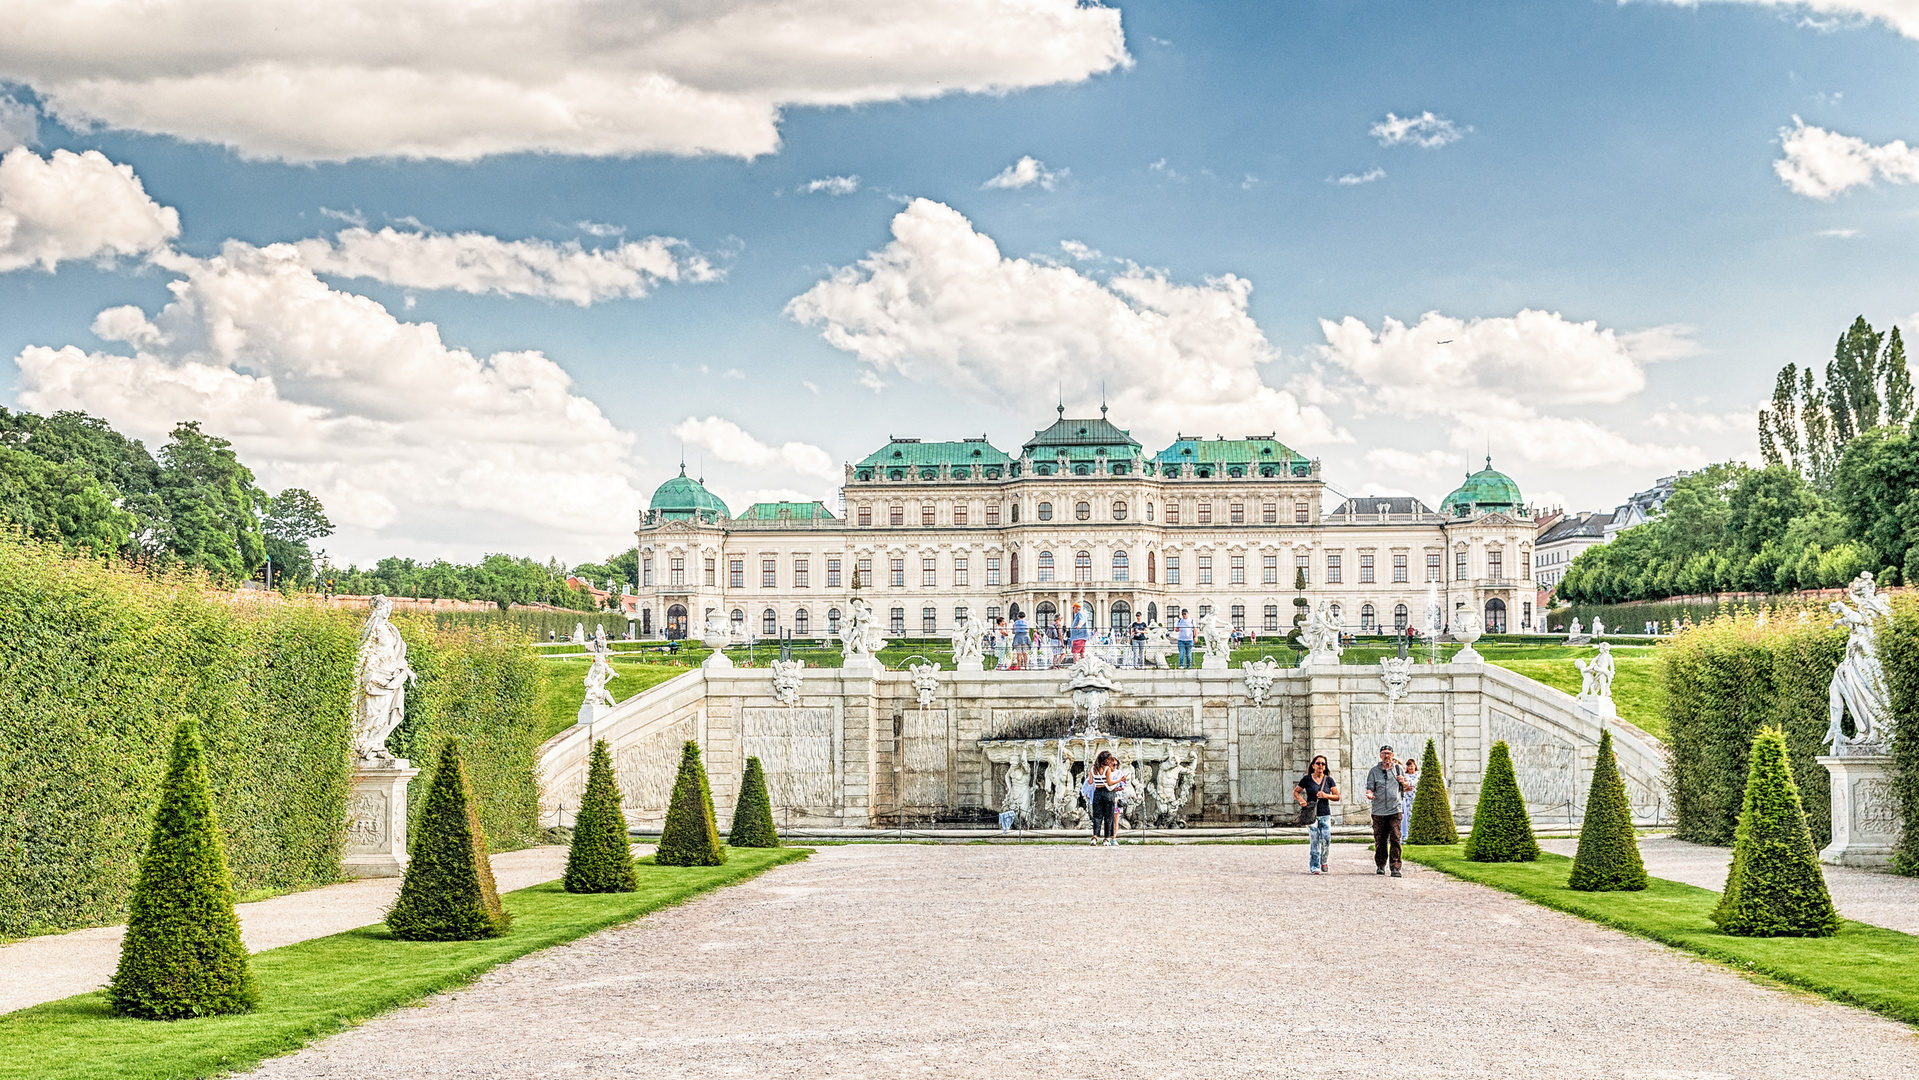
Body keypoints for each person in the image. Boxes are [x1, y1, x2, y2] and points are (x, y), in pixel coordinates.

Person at [1364, 744, 1407, 877]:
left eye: (1389, 753)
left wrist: (1404, 782)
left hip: (1395, 809)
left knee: (1395, 837)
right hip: (1379, 810)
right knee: (1380, 839)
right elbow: (1369, 787)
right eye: (1384, 753)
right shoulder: (1374, 771)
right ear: (1380, 755)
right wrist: (1369, 794)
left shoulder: (1398, 769)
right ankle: (1381, 865)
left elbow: (1406, 787)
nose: (1386, 756)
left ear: (1393, 755)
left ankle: (1395, 867)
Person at [1293, 755, 1340, 874]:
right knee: (1314, 841)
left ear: (1325, 766)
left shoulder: (1329, 780)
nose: (1320, 766)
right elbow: (1296, 792)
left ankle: (1324, 861)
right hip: (1311, 815)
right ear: (1313, 765)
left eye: (1323, 764)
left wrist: (1326, 795)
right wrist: (1301, 800)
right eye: (1318, 763)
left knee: (1326, 839)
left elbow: (1337, 796)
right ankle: (1314, 866)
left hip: (1325, 813)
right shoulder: (1307, 779)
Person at [1088, 750, 1126, 846]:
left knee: (1097, 816)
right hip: (1107, 793)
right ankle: (1106, 839)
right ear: (1106, 760)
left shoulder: (1093, 769)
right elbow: (1109, 783)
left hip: (1097, 792)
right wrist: (1120, 780)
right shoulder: (1107, 769)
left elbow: (1090, 782)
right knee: (1108, 817)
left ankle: (1094, 838)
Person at [1397, 754, 1421, 842]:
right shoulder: (1405, 775)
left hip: (1416, 797)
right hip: (1407, 798)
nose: (1410, 767)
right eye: (1408, 766)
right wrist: (1406, 788)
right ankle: (1406, 834)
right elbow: (1401, 786)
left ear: (1414, 766)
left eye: (1411, 766)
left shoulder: (1419, 774)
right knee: (1406, 815)